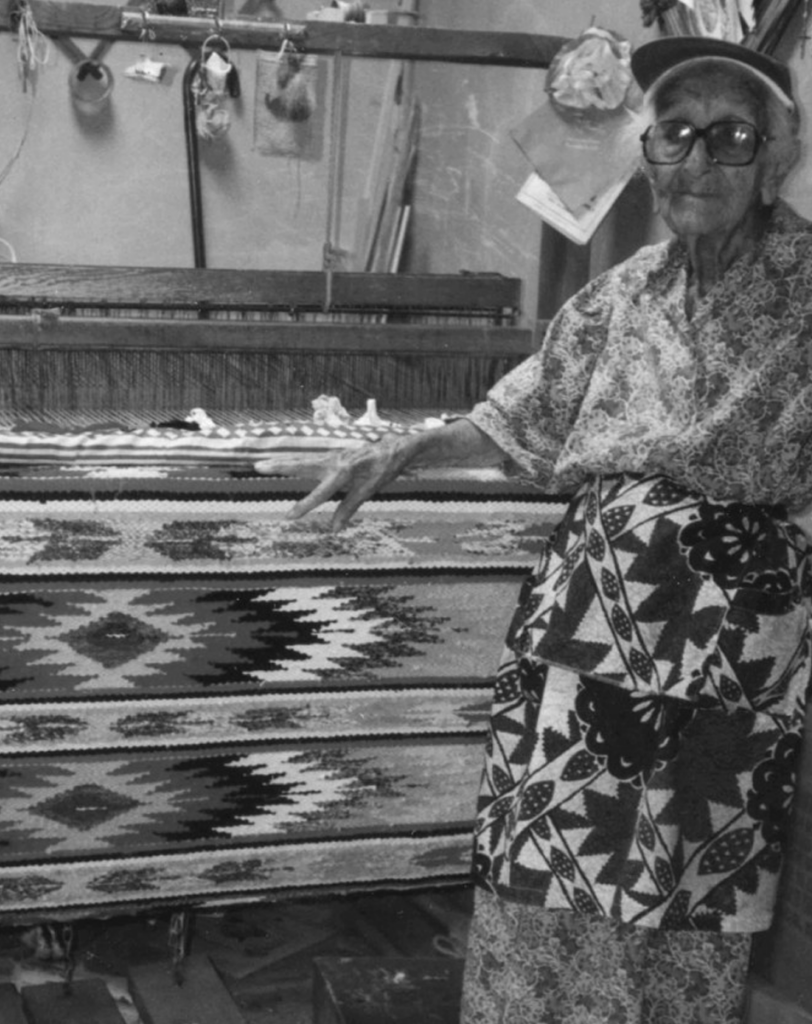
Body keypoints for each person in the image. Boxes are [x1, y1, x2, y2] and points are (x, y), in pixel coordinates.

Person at [256, 35, 812, 1024]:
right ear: (647, 153)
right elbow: (518, 409)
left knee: (682, 909)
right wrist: (402, 453)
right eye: (675, 134)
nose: (695, 161)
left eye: (729, 136)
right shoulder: (624, 290)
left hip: (723, 652)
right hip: (581, 640)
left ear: (775, 156)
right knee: (539, 882)